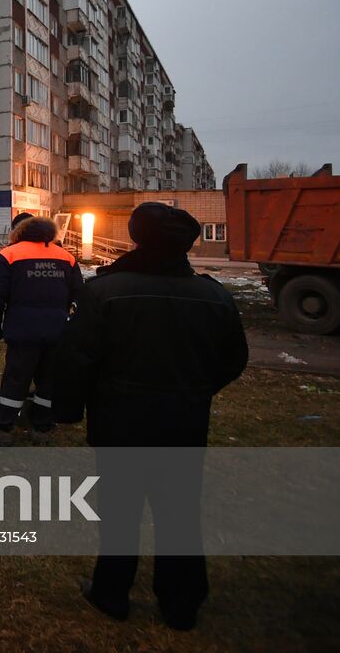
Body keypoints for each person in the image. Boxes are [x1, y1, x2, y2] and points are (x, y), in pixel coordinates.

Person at [54, 202, 249, 631]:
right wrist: (194, 391)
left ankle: (111, 593)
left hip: (120, 422)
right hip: (184, 424)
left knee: (120, 511)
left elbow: (78, 357)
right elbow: (234, 359)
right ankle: (181, 604)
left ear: (136, 235)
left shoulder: (106, 291)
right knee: (179, 512)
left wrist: (70, 407)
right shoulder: (214, 296)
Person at [0, 215, 81, 445]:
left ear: (19, 232)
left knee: (16, 379)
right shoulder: (66, 257)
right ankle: (42, 427)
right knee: (49, 380)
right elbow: (79, 295)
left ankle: (2, 427)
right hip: (57, 330)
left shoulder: (10, 254)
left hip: (22, 329)